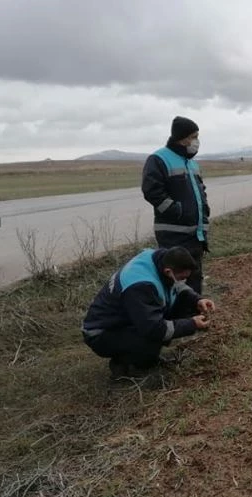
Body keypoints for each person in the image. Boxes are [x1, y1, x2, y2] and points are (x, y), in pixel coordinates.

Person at [81, 246, 215, 381]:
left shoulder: (160, 260)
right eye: (182, 277)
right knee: (152, 338)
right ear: (169, 272)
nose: (183, 281)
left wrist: (197, 300)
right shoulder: (140, 286)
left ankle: (147, 358)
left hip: (127, 319)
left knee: (181, 308)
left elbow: (177, 286)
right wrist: (191, 324)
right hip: (101, 333)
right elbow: (154, 329)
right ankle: (122, 364)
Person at [142, 116, 210, 293]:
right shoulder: (159, 159)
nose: (196, 141)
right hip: (174, 235)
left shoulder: (192, 163)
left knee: (194, 276)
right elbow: (152, 191)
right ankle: (176, 319)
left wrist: (204, 213)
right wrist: (177, 211)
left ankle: (195, 315)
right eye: (194, 137)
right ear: (182, 137)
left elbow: (200, 192)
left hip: (196, 234)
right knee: (175, 281)